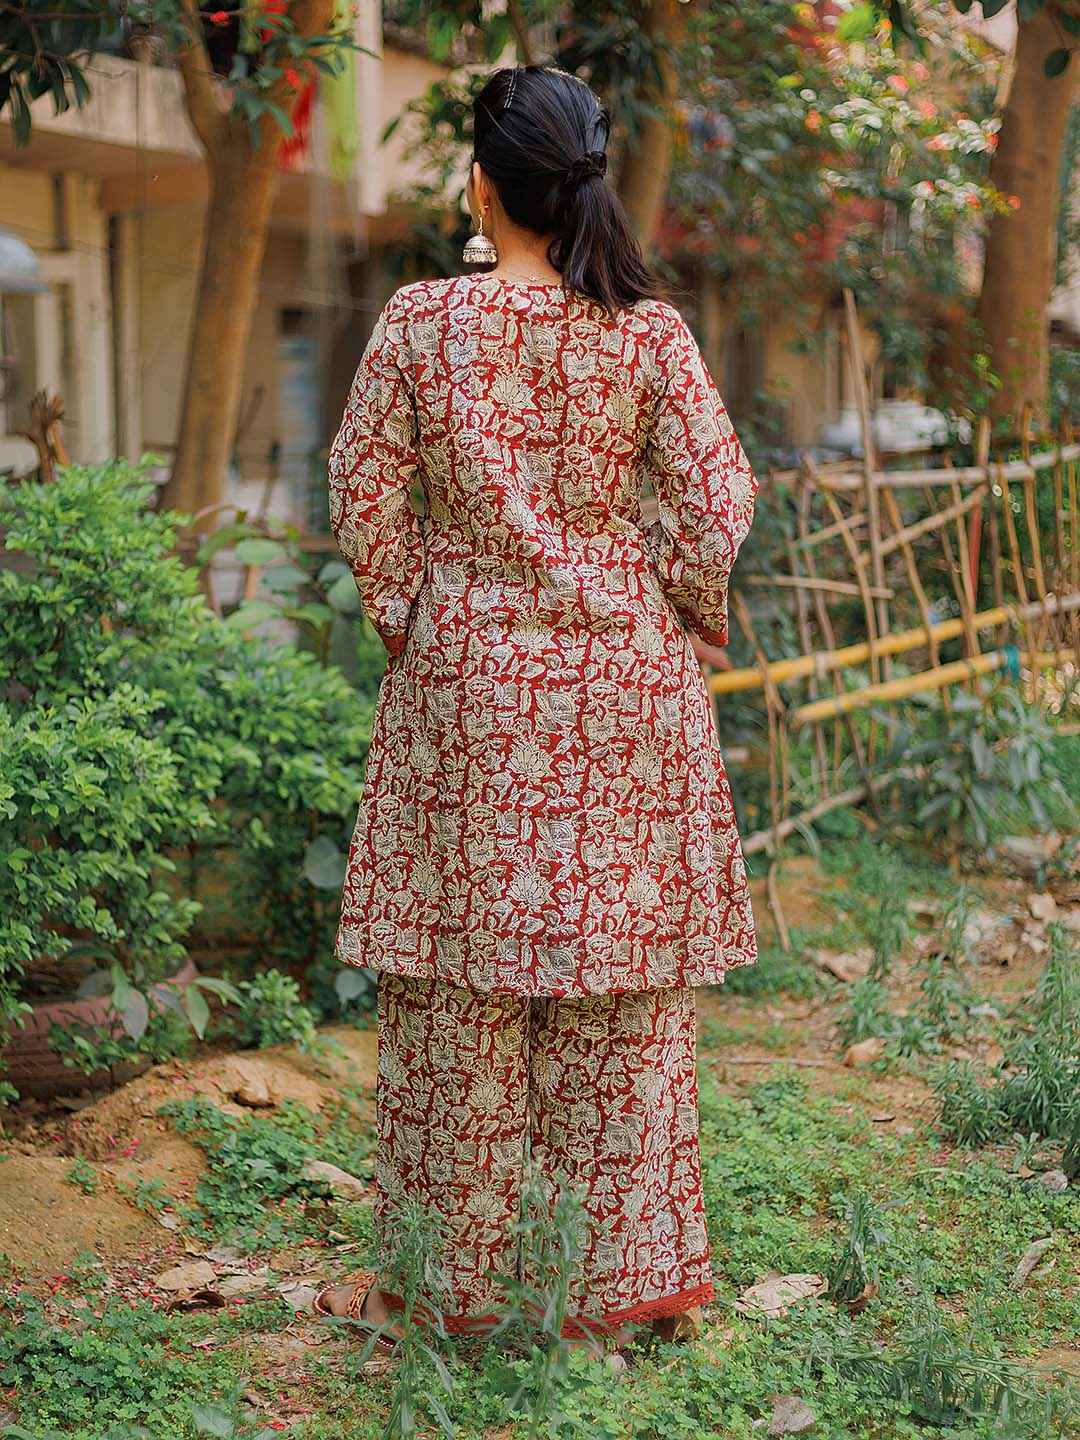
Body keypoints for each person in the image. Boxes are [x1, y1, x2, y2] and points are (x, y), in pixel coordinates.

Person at [314, 63, 759, 1353]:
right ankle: (611, 1300)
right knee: (621, 997)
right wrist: (662, 599)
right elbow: (718, 502)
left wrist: (421, 622)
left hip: (474, 708)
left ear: (484, 182)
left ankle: (461, 1301)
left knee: (461, 1001)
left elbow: (363, 492)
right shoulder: (653, 334)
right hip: (630, 694)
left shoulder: (420, 326)